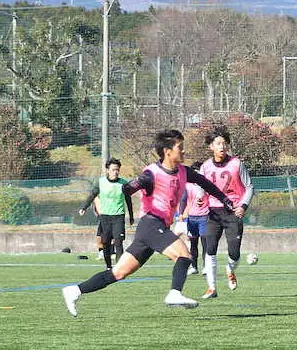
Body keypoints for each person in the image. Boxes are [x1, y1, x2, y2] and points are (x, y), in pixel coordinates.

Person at [62, 129, 235, 315]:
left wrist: (224, 199)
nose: (184, 151)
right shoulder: (151, 174)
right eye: (180, 147)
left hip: (152, 229)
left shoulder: (184, 172)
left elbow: (205, 183)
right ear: (167, 151)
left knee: (118, 273)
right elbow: (128, 189)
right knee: (184, 255)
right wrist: (132, 186)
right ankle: (174, 293)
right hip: (152, 225)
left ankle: (75, 290)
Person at [199, 126, 253, 299]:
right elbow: (201, 187)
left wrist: (243, 206)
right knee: (210, 249)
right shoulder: (205, 166)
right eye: (218, 143)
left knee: (234, 253)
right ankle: (211, 288)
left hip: (232, 213)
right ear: (211, 146)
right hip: (213, 213)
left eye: (224, 143)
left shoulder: (237, 164)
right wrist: (200, 197)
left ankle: (230, 269)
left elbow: (249, 187)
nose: (222, 146)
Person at [78, 157, 134, 270]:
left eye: (117, 170)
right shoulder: (101, 182)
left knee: (118, 242)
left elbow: (128, 200)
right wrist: (84, 207)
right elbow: (92, 195)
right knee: (106, 243)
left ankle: (119, 269)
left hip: (119, 217)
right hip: (105, 217)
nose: (115, 172)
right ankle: (109, 267)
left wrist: (131, 216)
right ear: (108, 170)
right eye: (113, 170)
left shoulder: (124, 184)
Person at [178, 161, 209, 275]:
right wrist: (181, 213)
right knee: (193, 243)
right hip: (192, 218)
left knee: (205, 243)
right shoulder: (188, 185)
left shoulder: (206, 184)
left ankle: (206, 266)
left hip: (204, 216)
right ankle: (194, 266)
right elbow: (183, 199)